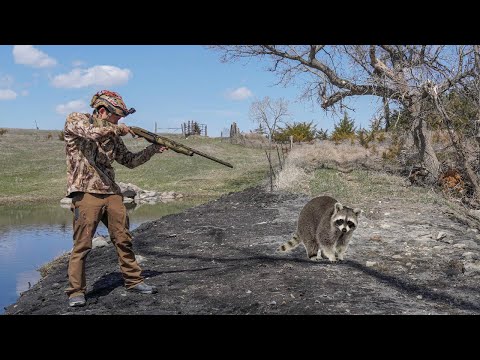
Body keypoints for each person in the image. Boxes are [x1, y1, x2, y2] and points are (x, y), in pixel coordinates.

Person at [63, 89, 167, 307]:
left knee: (124, 238)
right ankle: (76, 292)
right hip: (85, 192)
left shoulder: (113, 136)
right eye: (116, 116)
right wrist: (117, 129)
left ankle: (133, 280)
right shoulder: (76, 119)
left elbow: (129, 160)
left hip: (111, 192)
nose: (119, 120)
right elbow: (91, 132)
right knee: (82, 245)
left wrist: (152, 149)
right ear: (102, 111)